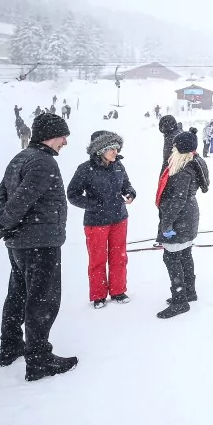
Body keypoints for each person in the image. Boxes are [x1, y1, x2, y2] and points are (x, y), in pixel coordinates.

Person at [0, 112, 77, 381]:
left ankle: (11, 345)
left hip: (20, 244)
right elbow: (21, 200)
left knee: (18, 294)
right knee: (43, 300)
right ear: (50, 136)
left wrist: (7, 225)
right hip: (41, 243)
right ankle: (39, 359)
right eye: (63, 136)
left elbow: (0, 197)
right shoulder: (43, 162)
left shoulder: (21, 157)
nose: (65, 142)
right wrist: (5, 224)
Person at [67, 130, 136, 308]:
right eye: (111, 148)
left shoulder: (119, 165)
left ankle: (118, 291)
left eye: (116, 147)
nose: (115, 151)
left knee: (119, 257)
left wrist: (130, 193)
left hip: (119, 218)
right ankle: (98, 295)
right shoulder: (85, 169)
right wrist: (93, 205)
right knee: (97, 259)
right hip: (96, 222)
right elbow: (73, 194)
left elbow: (126, 185)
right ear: (99, 150)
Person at [154, 128, 210, 319]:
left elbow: (176, 201)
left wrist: (166, 224)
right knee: (184, 254)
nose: (172, 148)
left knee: (171, 258)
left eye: (175, 145)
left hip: (180, 219)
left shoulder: (182, 170)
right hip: (188, 217)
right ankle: (189, 292)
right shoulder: (193, 163)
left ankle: (180, 300)